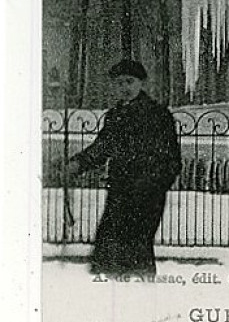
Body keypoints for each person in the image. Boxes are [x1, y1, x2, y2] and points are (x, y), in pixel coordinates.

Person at [67, 60, 182, 277]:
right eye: (119, 83)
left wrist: (154, 185)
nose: (125, 88)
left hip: (148, 195)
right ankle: (112, 301)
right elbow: (102, 148)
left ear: (142, 83)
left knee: (137, 250)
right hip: (120, 192)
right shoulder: (115, 116)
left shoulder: (158, 115)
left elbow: (172, 160)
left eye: (130, 82)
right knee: (109, 251)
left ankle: (141, 299)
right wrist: (77, 164)